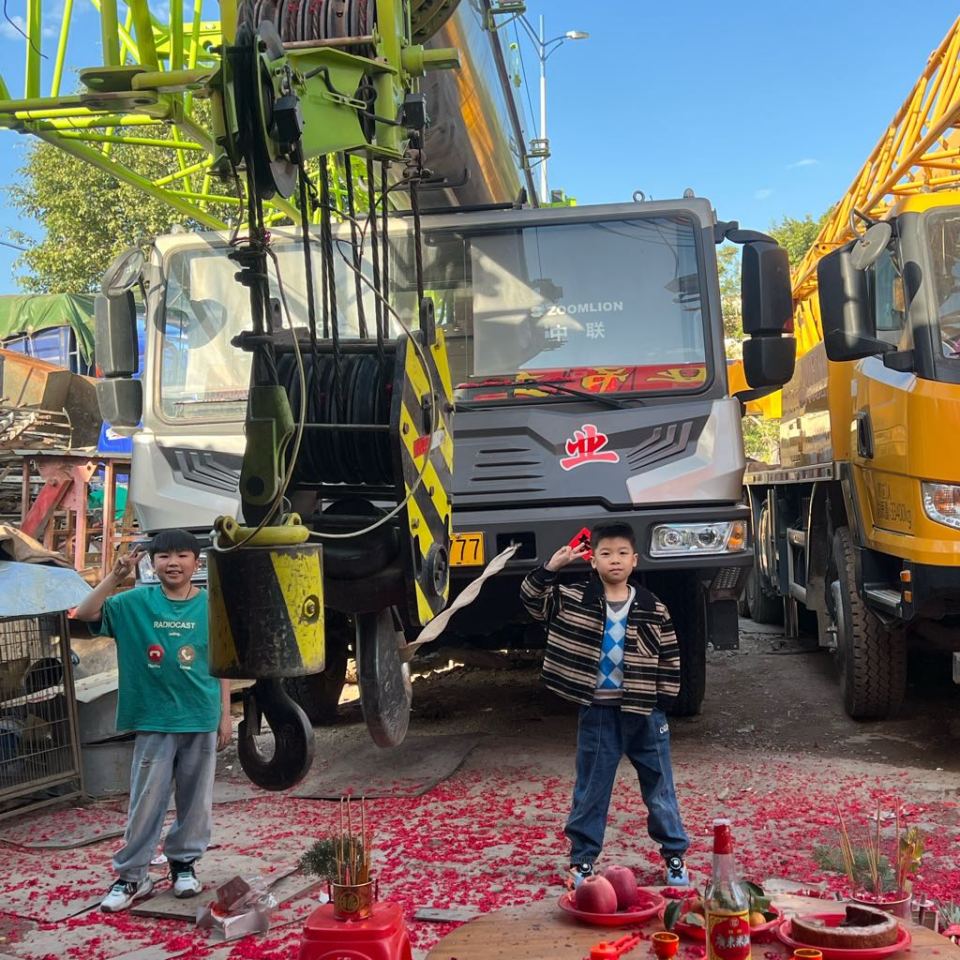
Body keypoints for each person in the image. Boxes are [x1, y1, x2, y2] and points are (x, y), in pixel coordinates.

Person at [520, 521, 690, 889]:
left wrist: (662, 703)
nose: (615, 560)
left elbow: (670, 656)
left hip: (645, 713)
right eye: (606, 553)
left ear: (635, 560)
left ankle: (674, 855)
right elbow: (532, 599)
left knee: (660, 788)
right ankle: (582, 860)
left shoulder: (652, 606)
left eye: (622, 553)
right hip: (597, 710)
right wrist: (552, 567)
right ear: (593, 560)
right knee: (591, 789)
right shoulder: (573, 598)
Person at [74, 529, 232, 913]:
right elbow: (86, 613)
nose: (172, 563)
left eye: (181, 555)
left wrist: (225, 714)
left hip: (200, 716)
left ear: (196, 562)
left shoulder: (213, 606)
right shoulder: (134, 603)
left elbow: (224, 663)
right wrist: (114, 577)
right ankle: (132, 876)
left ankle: (184, 865)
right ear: (152, 563)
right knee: (146, 801)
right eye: (163, 556)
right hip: (154, 719)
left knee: (196, 801)